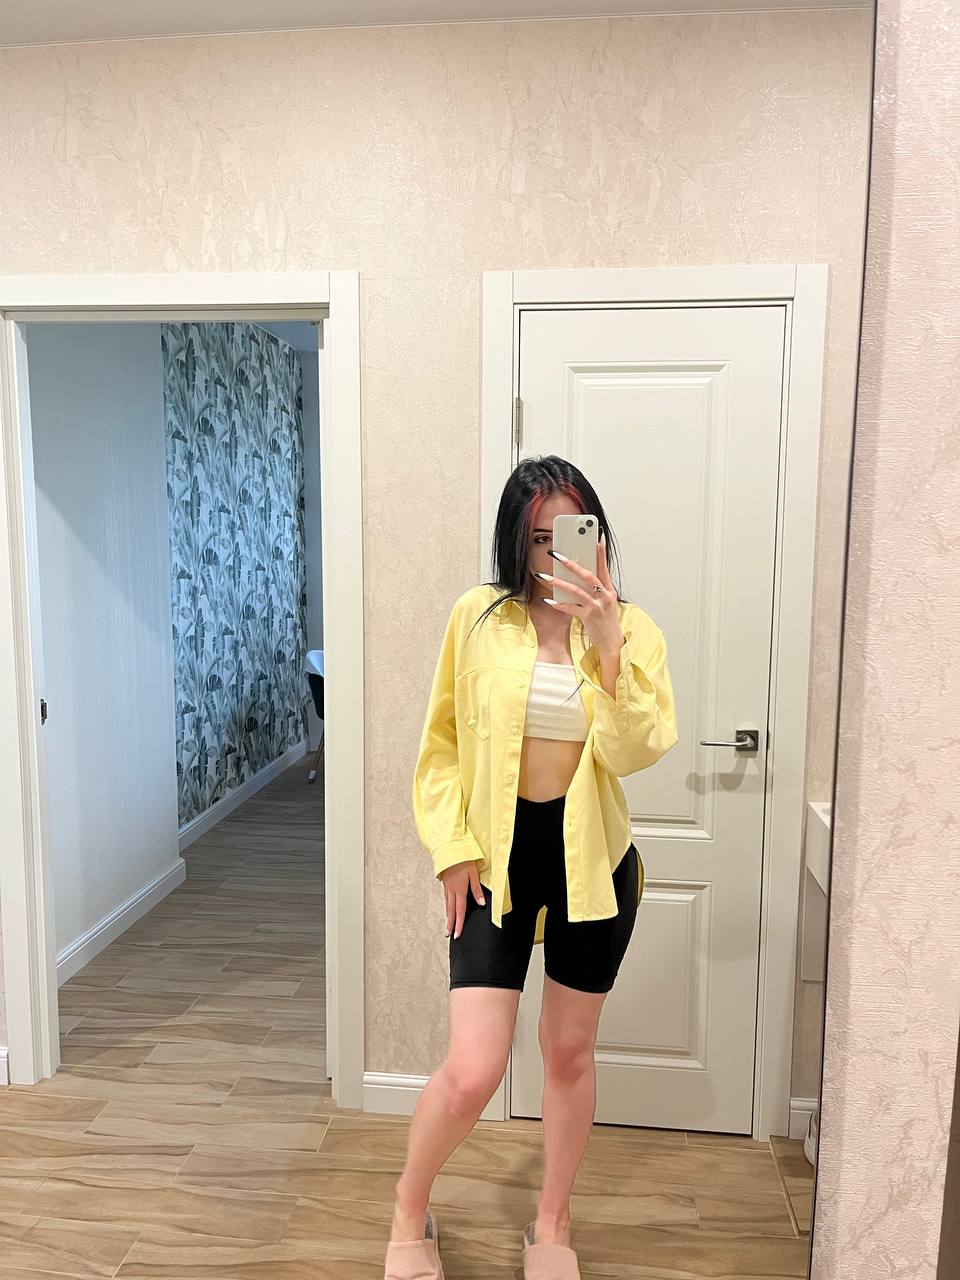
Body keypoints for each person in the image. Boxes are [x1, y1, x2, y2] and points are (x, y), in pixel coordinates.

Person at [384, 456, 679, 1280]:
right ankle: (408, 1205)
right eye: (540, 537)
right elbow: (440, 745)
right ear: (516, 541)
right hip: (494, 866)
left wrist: (608, 642)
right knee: (474, 1067)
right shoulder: (478, 619)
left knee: (569, 1055)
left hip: (593, 866)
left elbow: (634, 749)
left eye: (573, 534)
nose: (557, 554)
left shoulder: (632, 630)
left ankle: (552, 1223)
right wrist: (451, 850)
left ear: (598, 536)